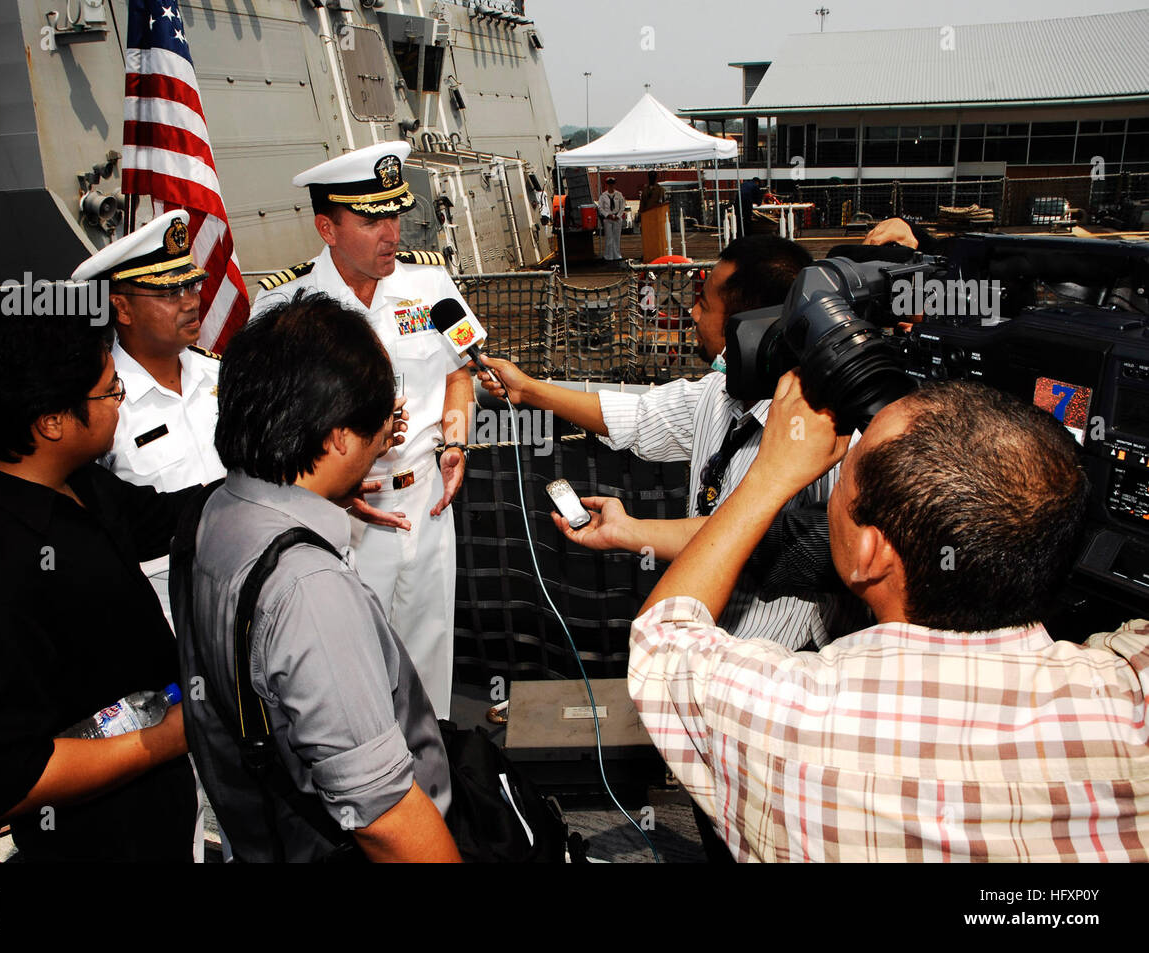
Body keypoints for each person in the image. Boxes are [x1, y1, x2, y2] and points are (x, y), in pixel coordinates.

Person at [631, 372, 1149, 861]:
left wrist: (769, 478)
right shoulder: (1132, 694)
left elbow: (663, 637)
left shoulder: (786, 718)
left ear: (871, 555)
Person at [177, 290, 460, 863]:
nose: (388, 437)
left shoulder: (215, 511)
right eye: (380, 422)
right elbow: (383, 816)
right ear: (336, 437)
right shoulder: (310, 588)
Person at [0, 292, 198, 862]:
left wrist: (294, 481)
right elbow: (1, 779)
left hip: (160, 812)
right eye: (109, 392)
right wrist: (171, 736)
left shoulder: (77, 483)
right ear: (52, 420)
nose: (120, 403)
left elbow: (175, 518)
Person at [479, 235, 850, 649]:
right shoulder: (715, 393)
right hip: (705, 634)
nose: (692, 314)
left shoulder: (829, 431)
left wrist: (632, 532)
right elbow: (635, 419)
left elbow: (779, 542)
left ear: (750, 328)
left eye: (705, 306)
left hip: (776, 654)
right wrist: (529, 390)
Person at [251, 141, 474, 719]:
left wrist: (456, 443)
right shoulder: (287, 304)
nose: (391, 233)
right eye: (372, 219)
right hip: (338, 515)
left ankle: (438, 785)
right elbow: (267, 429)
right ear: (327, 226)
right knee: (348, 668)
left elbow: (460, 376)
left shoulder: (430, 287)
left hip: (427, 500)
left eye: (396, 214)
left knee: (429, 661)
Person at [72, 210, 227, 625]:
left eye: (190, 285)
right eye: (168, 293)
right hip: (167, 617)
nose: (191, 301)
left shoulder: (223, 377)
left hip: (246, 595)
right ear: (121, 308)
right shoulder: (98, 405)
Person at [597, 176, 625, 262]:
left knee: (616, 237)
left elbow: (622, 206)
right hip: (608, 218)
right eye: (609, 185)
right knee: (609, 238)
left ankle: (617, 255)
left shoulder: (619, 195)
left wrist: (619, 215)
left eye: (612, 184)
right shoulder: (603, 196)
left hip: (617, 218)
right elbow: (600, 207)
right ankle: (608, 255)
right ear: (607, 185)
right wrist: (606, 215)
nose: (611, 186)